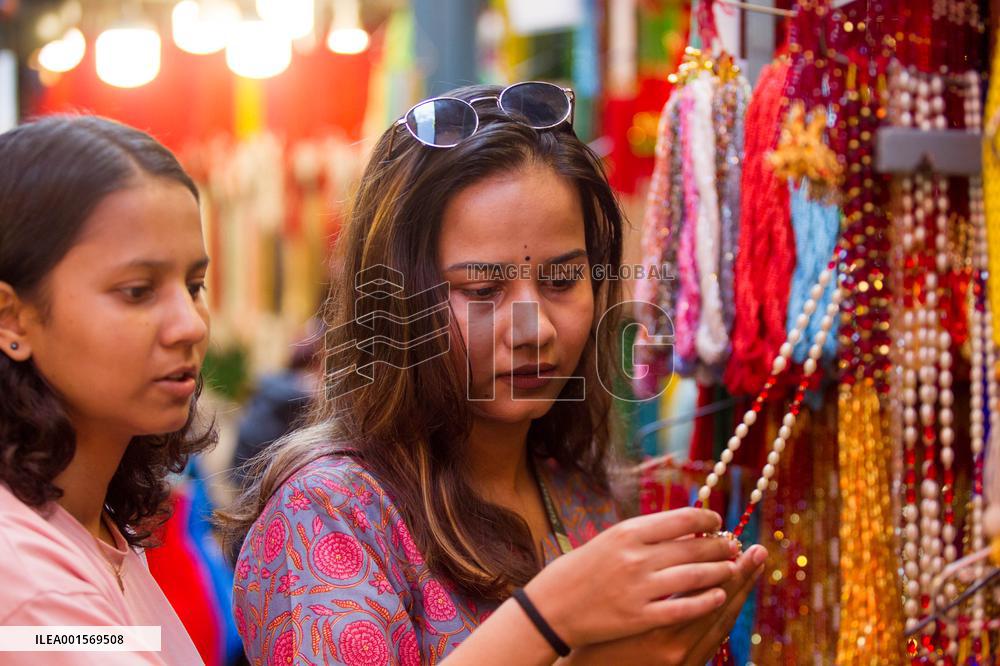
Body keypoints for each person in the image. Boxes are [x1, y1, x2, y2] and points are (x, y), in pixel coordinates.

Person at [223, 82, 767, 665]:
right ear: (397, 302)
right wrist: (549, 618)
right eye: (482, 290)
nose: (533, 329)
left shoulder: (583, 493)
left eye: (562, 282)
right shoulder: (329, 513)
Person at [0, 116, 214, 665]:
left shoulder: (87, 525)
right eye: (138, 291)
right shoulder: (31, 587)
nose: (189, 323)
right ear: (11, 319)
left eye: (194, 286)